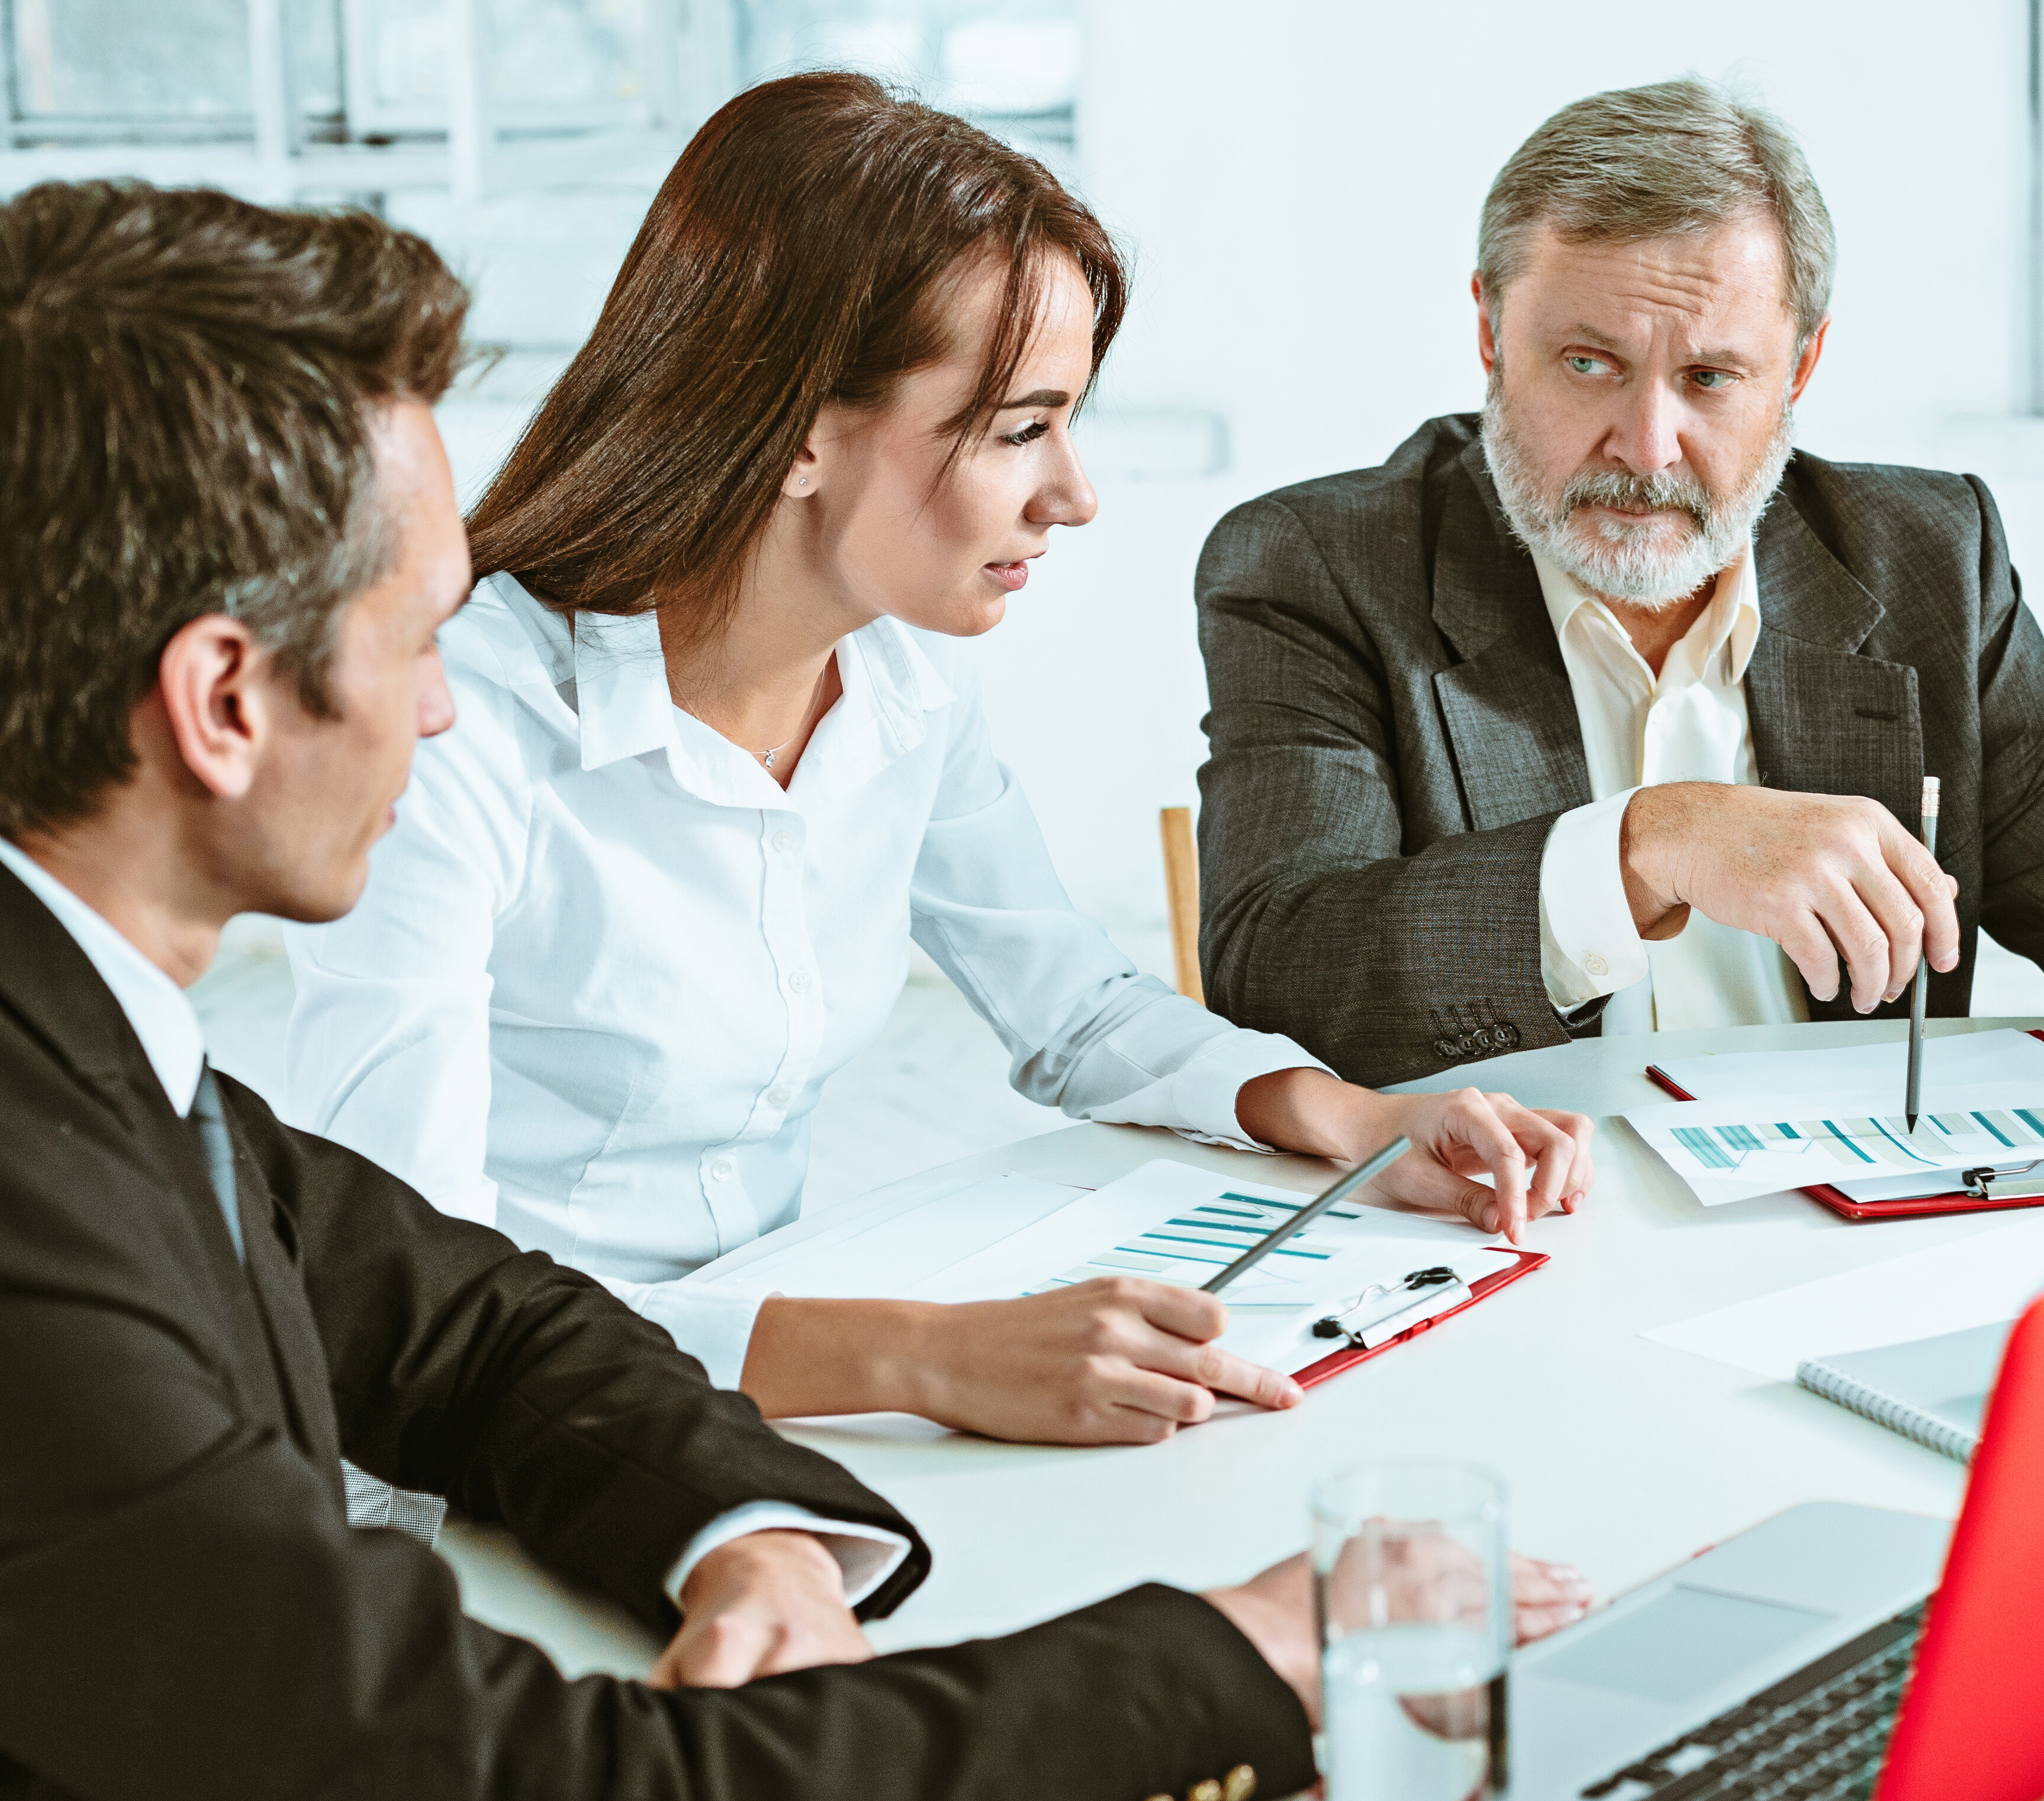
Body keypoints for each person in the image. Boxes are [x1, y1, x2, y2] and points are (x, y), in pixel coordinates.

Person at [0, 175, 1590, 1801]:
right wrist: (1252, 1660)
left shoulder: (102, 1048)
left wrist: (741, 1522)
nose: (443, 696)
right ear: (227, 701)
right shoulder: (41, 1229)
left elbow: (469, 1315)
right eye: (408, 638)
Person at [284, 73, 1595, 1446]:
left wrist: (1354, 1119)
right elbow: (413, 1306)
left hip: (754, 1391)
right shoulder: (455, 730)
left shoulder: (902, 681)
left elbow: (1076, 1010)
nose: (1074, 494)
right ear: (797, 430)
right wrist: (920, 1360)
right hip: (486, 1448)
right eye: (1021, 428)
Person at [1192, 79, 2044, 1156]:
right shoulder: (1320, 565)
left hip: (1833, 1238)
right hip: (1504, 1230)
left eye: (1711, 378)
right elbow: (1284, 966)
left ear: (1802, 371)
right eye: (1588, 364)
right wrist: (1647, 845)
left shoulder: (1926, 557)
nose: (1647, 445)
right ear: (1490, 334)